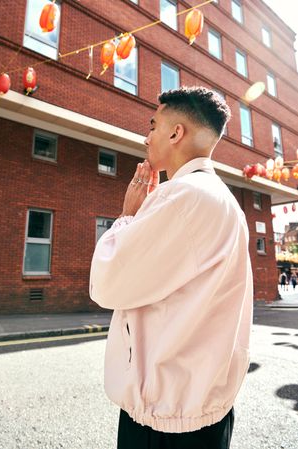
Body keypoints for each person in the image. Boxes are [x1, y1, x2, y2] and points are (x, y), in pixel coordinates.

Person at [90, 86, 253, 449]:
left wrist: (128, 214)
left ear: (176, 133)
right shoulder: (226, 203)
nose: (146, 136)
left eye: (152, 125)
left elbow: (106, 283)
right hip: (204, 412)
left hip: (165, 423)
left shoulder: (184, 196)